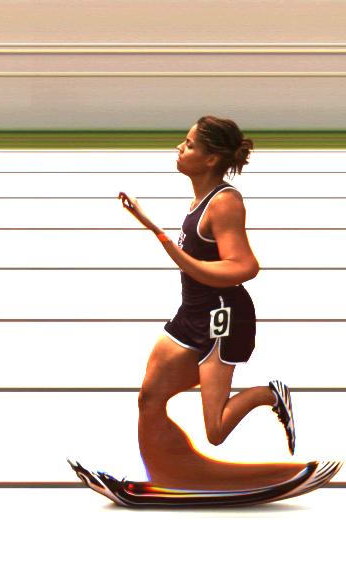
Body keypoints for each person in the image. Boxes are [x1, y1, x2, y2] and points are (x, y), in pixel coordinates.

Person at [105, 116, 305, 494]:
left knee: (215, 429)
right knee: (150, 397)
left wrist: (167, 244)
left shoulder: (225, 203)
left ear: (211, 159)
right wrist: (148, 223)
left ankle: (269, 394)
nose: (180, 149)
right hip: (191, 312)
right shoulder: (201, 200)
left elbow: (244, 266)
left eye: (190, 144)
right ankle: (167, 474)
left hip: (221, 318)